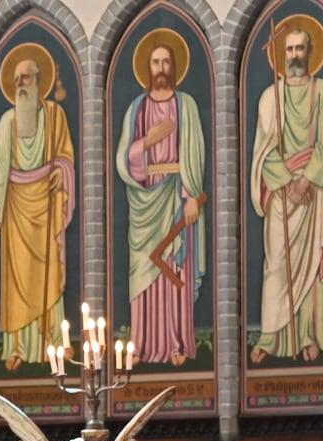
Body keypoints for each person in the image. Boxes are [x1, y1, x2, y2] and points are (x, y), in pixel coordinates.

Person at [249, 25, 323, 364]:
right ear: (281, 55)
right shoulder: (269, 97)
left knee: (313, 262)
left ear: (310, 52)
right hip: (281, 190)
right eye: (289, 50)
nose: (295, 56)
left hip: (313, 188)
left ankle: (308, 334)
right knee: (276, 263)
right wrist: (286, 182)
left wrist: (307, 181)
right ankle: (271, 336)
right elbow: (263, 149)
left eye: (300, 48)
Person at [116, 35, 206, 366]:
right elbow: (123, 158)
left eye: (166, 61)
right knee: (144, 269)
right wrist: (147, 142)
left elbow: (194, 153)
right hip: (145, 199)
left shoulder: (186, 106)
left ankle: (177, 342)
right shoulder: (136, 109)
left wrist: (192, 194)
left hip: (177, 197)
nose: (161, 68)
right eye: (155, 62)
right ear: (147, 67)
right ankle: (140, 344)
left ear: (175, 66)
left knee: (174, 269)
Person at [0, 50, 75, 371]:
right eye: (16, 80)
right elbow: (0, 164)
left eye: (25, 78)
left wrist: (61, 172)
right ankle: (17, 347)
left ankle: (55, 340)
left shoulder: (55, 116)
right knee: (18, 277)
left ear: (39, 81)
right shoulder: (7, 121)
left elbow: (65, 156)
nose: (20, 84)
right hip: (16, 205)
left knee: (49, 271)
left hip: (47, 202)